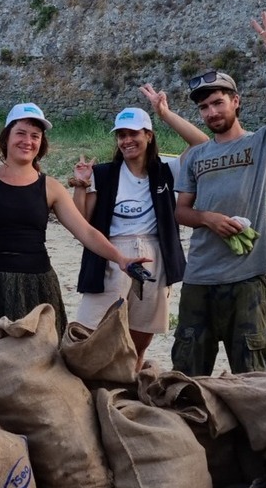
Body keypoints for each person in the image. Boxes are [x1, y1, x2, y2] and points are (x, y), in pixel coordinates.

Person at [0, 104, 140, 396]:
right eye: (21, 133)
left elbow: (85, 231)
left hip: (38, 285)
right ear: (6, 138)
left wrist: (121, 258)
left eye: (35, 135)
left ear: (41, 144)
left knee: (38, 365)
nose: (28, 140)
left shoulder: (51, 187)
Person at [172, 12, 266, 375]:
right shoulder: (197, 155)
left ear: (236, 101)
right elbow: (180, 211)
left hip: (248, 277)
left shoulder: (262, 143)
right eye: (204, 107)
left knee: (252, 375)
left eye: (218, 102)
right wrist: (208, 219)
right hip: (200, 277)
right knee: (188, 372)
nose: (211, 112)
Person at [69, 85, 210, 362]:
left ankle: (129, 391)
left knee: (140, 339)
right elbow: (81, 221)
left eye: (133, 133)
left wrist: (164, 113)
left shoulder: (167, 172)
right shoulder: (103, 173)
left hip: (155, 254)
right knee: (88, 332)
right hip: (110, 255)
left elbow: (202, 144)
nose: (126, 140)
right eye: (121, 135)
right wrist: (81, 185)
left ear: (148, 135)